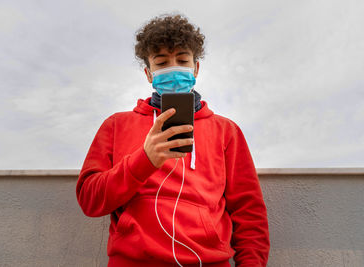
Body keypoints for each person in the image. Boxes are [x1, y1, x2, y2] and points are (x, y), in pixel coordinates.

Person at [76, 14, 270, 267]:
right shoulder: (116, 125)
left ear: (196, 68)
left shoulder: (227, 131)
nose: (174, 68)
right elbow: (90, 200)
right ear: (148, 73)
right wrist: (144, 160)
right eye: (162, 62)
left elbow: (249, 213)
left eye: (182, 60)